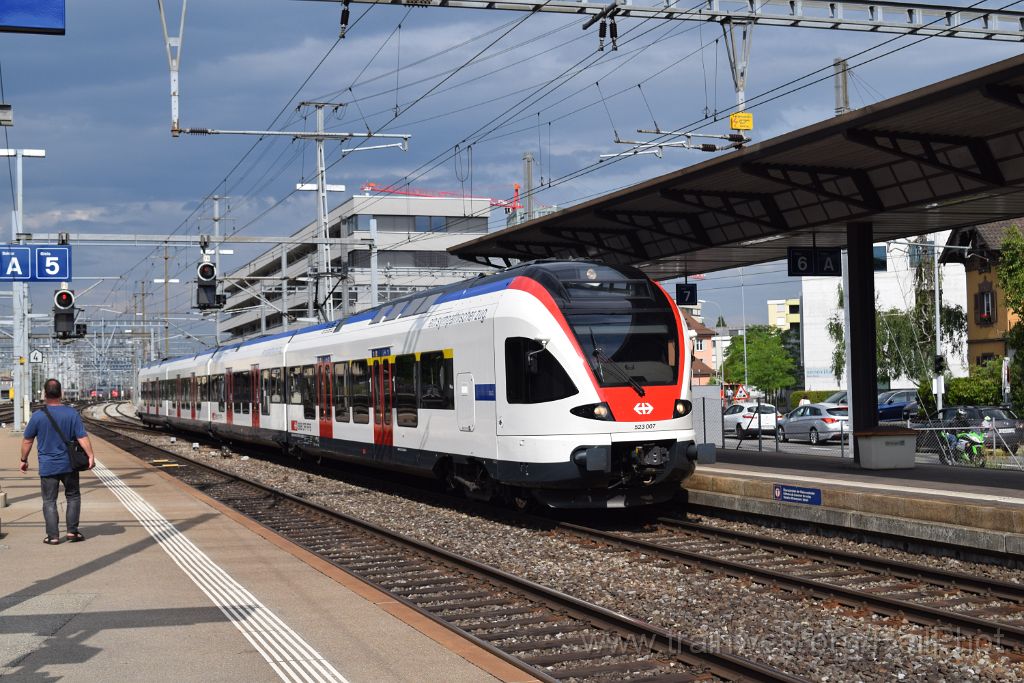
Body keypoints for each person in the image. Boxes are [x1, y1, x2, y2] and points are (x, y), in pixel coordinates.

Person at [19, 378, 96, 545]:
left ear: (45, 394)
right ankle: (72, 532)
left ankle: (53, 536)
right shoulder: (71, 414)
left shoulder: (38, 416)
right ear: (61, 393)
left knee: (49, 500)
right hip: (69, 464)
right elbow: (82, 437)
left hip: (48, 466)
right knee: (73, 496)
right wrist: (90, 456)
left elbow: (27, 441)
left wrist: (23, 460)